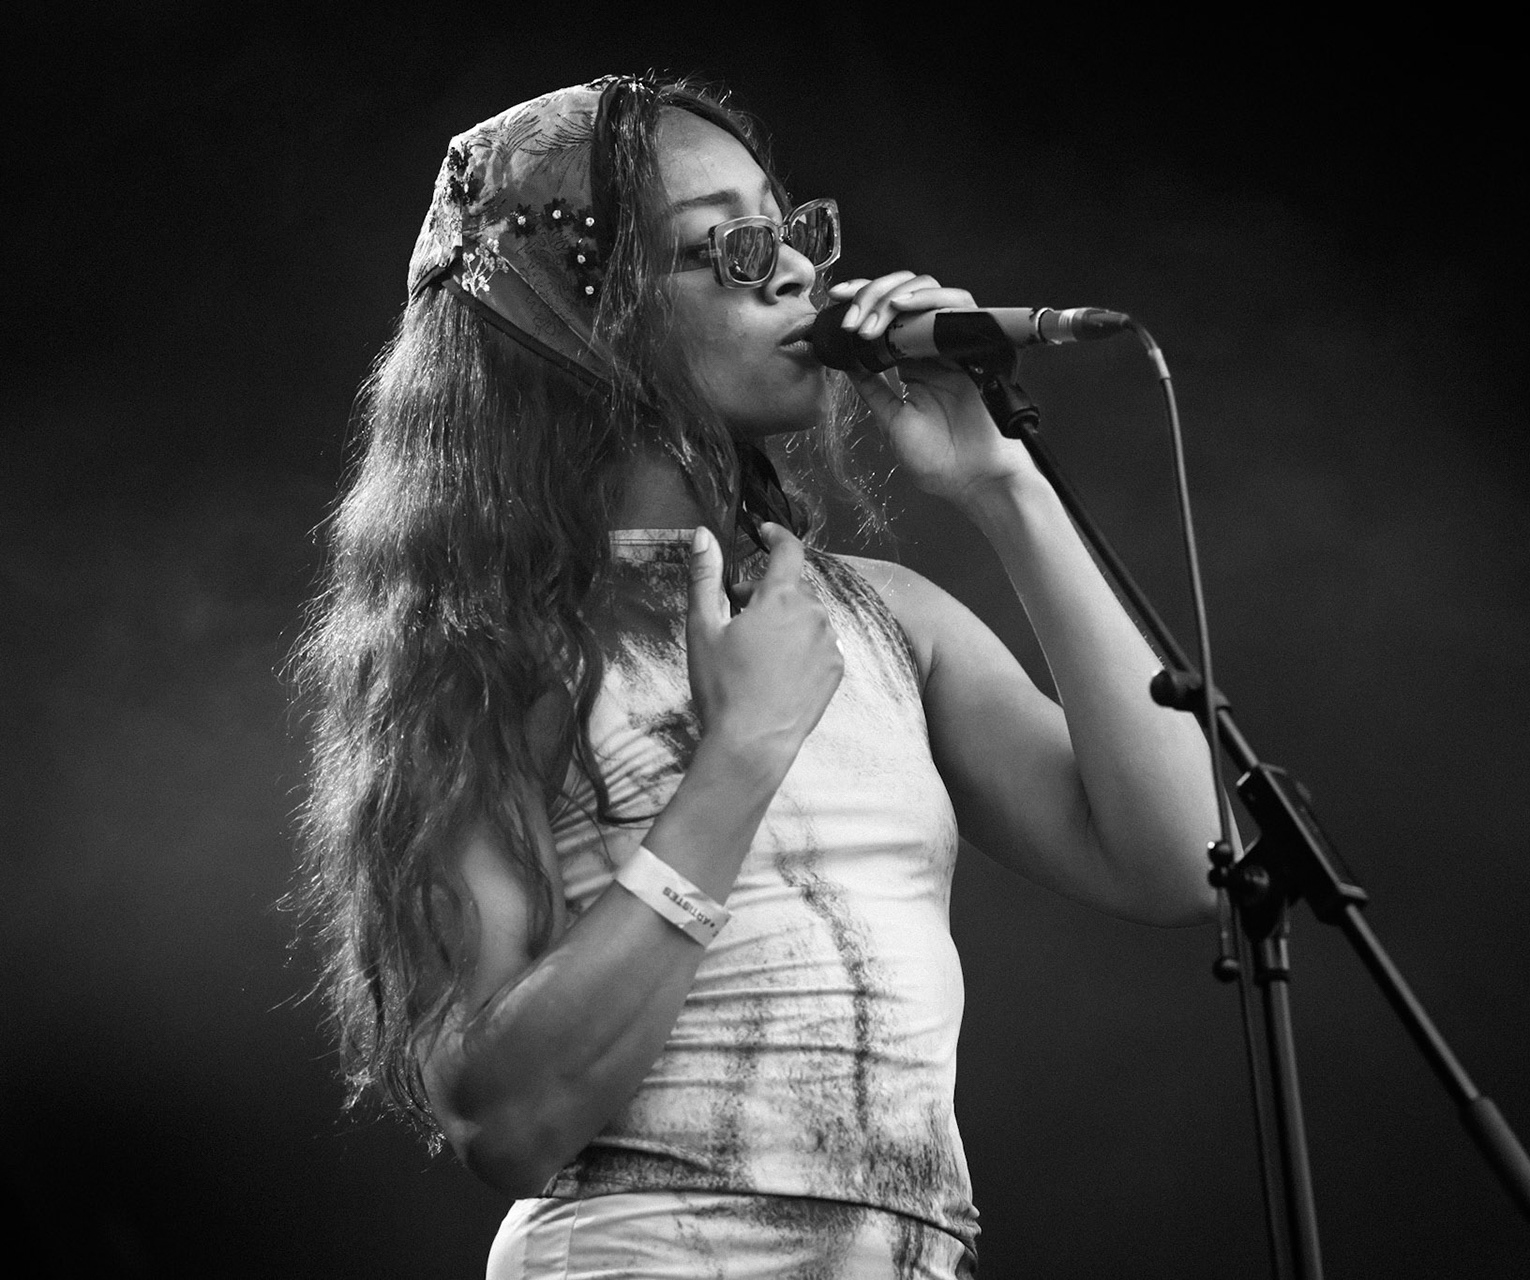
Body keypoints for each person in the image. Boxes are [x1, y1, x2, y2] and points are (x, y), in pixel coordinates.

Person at [293, 72, 1217, 1279]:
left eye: (792, 231)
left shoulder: (888, 621)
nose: (794, 273)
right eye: (723, 247)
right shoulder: (490, 649)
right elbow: (503, 1118)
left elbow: (1181, 861)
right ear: (575, 317)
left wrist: (1005, 488)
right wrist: (739, 754)